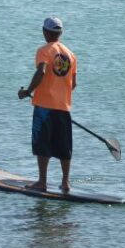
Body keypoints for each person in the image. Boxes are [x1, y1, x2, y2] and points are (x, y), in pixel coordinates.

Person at [17, 17, 78, 193]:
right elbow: (73, 84)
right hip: (63, 107)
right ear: (60, 33)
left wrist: (27, 91)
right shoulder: (71, 55)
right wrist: (60, 95)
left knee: (42, 143)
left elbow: (41, 71)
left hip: (44, 107)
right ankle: (65, 183)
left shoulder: (44, 51)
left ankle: (42, 181)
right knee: (64, 145)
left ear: (45, 32)